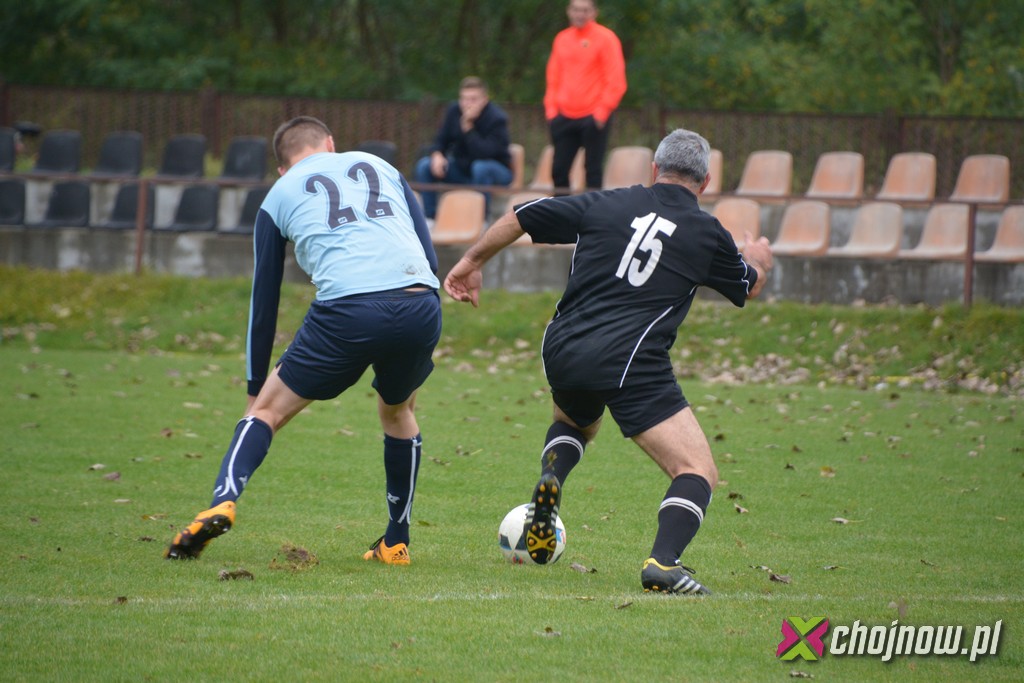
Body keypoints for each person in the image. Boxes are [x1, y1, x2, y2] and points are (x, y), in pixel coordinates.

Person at [444, 129, 773, 594]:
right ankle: (663, 564)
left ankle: (552, 477)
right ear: (706, 181)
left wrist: (471, 262)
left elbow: (522, 216)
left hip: (564, 347)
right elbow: (747, 285)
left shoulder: (606, 202)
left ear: (654, 169)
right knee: (697, 471)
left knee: (576, 422)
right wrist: (758, 259)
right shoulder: (707, 233)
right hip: (631, 360)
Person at [166, 116, 442, 566]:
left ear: (282, 167)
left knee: (265, 413)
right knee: (399, 412)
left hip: (348, 309)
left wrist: (255, 387)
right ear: (331, 144)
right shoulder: (380, 165)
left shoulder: (279, 194)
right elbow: (428, 256)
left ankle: (221, 502)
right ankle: (396, 542)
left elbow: (264, 301)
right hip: (419, 302)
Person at [544, 0, 627, 192]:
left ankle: (592, 210)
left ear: (594, 12)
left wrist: (602, 113)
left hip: (593, 115)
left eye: (585, 10)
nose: (580, 14)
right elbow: (553, 78)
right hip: (564, 116)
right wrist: (551, 112)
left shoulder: (606, 38)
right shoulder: (562, 39)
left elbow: (616, 80)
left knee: (593, 171)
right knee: (559, 170)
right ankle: (562, 210)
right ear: (568, 11)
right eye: (575, 9)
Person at [414, 76, 513, 218]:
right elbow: (440, 140)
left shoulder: (497, 118)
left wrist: (468, 128)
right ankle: (430, 218)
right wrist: (437, 155)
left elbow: (485, 153)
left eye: (473, 99)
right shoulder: (454, 111)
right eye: (464, 99)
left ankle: (482, 219)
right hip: (462, 170)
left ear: (484, 100)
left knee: (480, 167)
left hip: (495, 171)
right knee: (424, 165)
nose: (468, 104)